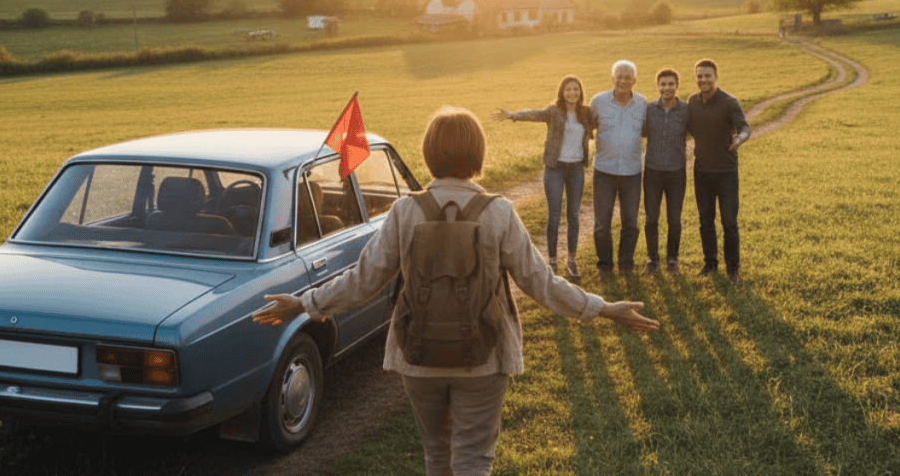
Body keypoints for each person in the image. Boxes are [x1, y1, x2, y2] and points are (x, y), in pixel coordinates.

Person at [253, 107, 659, 476]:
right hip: (483, 358)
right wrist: (602, 308)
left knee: (436, 456)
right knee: (472, 459)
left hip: (417, 356)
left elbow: (364, 280)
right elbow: (542, 284)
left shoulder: (404, 211)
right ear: (476, 153)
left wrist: (304, 303)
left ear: (430, 153)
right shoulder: (499, 212)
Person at [490, 75, 595, 280]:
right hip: (555, 168)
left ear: (581, 92)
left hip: (576, 169)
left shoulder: (586, 113)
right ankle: (553, 262)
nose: (572, 93)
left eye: (576, 89)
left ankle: (571, 260)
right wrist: (512, 115)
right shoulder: (554, 112)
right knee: (554, 216)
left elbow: (602, 122)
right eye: (568, 89)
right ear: (562, 92)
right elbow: (534, 114)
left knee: (573, 215)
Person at [686, 59, 750, 283]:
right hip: (702, 172)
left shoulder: (729, 102)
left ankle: (733, 269)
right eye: (699, 76)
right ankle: (710, 264)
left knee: (729, 221)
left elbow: (744, 126)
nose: (703, 80)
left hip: (726, 173)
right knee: (705, 220)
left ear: (716, 77)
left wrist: (740, 138)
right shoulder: (692, 102)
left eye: (707, 76)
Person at [589, 60, 647, 276]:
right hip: (604, 171)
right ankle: (605, 266)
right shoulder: (598, 101)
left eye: (628, 77)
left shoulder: (642, 104)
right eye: (619, 77)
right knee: (602, 224)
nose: (623, 81)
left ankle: (626, 265)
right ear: (613, 79)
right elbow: (587, 127)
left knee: (630, 222)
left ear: (634, 80)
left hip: (632, 172)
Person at [641, 68, 689, 275]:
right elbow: (639, 131)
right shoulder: (649, 109)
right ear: (658, 86)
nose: (667, 88)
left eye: (671, 84)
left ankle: (672, 260)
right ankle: (652, 260)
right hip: (652, 171)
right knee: (651, 218)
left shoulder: (686, 110)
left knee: (674, 219)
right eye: (663, 84)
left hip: (676, 172)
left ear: (677, 86)